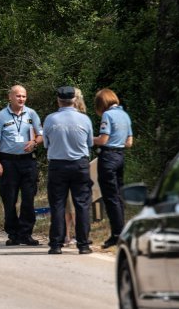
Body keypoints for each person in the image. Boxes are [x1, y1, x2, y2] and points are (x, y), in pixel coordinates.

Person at [0, 85, 44, 246]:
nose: (21, 99)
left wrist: (34, 142)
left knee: (28, 198)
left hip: (27, 161)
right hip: (8, 162)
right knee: (9, 198)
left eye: (24, 96)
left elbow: (40, 136)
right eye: (18, 96)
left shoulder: (32, 114)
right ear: (10, 97)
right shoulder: (1, 116)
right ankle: (13, 234)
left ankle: (26, 233)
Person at [43, 86, 94, 255]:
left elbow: (46, 144)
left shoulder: (51, 119)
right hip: (80, 165)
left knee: (57, 204)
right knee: (82, 204)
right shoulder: (85, 120)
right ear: (74, 100)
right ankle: (84, 244)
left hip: (58, 165)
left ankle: (56, 244)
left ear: (58, 100)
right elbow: (89, 144)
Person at [93, 88, 133, 248]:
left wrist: (88, 138)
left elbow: (103, 139)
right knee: (118, 195)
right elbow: (129, 142)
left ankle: (117, 234)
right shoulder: (125, 115)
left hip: (108, 157)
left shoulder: (107, 115)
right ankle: (122, 231)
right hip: (120, 157)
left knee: (110, 197)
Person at [64, 88, 87, 246]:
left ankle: (70, 235)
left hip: (65, 161)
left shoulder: (62, 116)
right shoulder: (82, 118)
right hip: (78, 162)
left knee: (71, 203)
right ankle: (70, 235)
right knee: (73, 203)